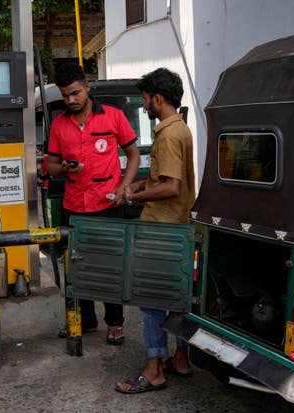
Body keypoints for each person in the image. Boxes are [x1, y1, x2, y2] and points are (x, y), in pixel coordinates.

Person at [47, 62, 140, 344]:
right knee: (76, 265)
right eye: (65, 96)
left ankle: (115, 322)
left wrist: (124, 187)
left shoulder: (113, 117)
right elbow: (50, 166)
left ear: (87, 87)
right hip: (74, 206)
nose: (71, 100)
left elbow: (133, 155)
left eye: (75, 93)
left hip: (108, 205)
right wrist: (64, 169)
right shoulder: (59, 124)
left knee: (109, 265)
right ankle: (85, 320)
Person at [115, 68, 196, 394]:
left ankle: (154, 368)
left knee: (151, 301)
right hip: (179, 227)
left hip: (162, 229)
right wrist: (142, 183)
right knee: (178, 298)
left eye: (146, 99)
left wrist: (134, 194)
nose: (145, 105)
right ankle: (181, 357)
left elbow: (171, 187)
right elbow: (165, 180)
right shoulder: (182, 130)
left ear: (158, 99)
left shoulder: (167, 136)